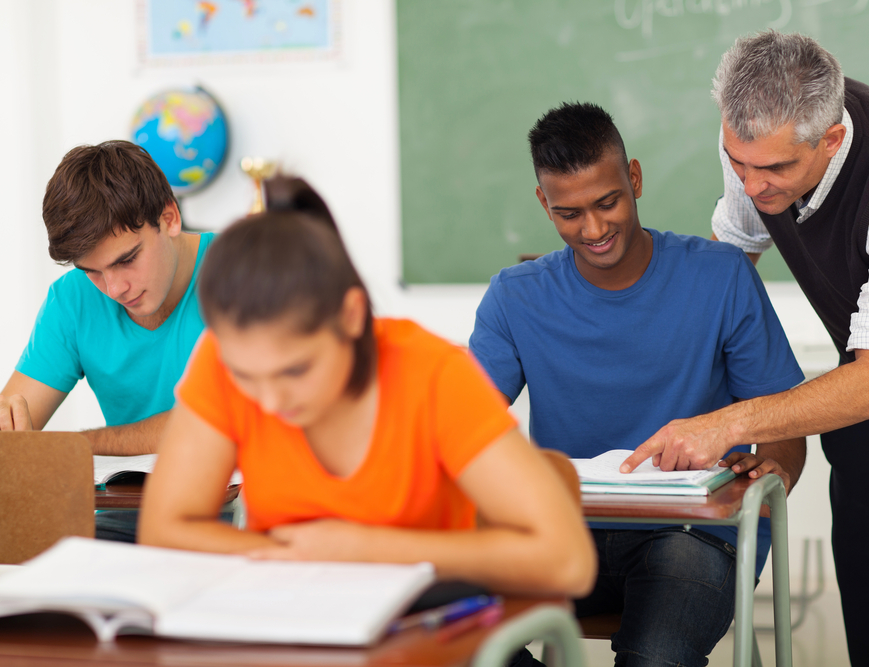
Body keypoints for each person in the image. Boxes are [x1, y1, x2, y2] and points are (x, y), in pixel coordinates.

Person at [621, 30, 869, 666]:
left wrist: (732, 421)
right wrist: (683, 399)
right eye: (738, 163)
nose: (754, 184)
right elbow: (729, 268)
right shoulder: (755, 143)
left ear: (830, 138)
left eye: (774, 170)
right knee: (868, 549)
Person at [138, 176, 596, 599]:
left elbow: (568, 560)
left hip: (426, 628)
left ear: (352, 315)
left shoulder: (433, 373)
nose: (270, 402)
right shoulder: (221, 360)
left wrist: (367, 548)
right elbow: (164, 529)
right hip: (297, 619)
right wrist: (294, 556)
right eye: (244, 376)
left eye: (295, 371)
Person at [469, 102, 806, 667]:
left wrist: (775, 466)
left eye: (608, 203)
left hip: (692, 537)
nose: (594, 229)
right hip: (563, 535)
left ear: (635, 178)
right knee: (442, 628)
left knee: (658, 655)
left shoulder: (721, 275)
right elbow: (458, 420)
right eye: (569, 213)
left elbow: (784, 421)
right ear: (543, 205)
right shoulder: (515, 296)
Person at [0, 140, 213, 543]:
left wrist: (76, 446)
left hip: (242, 512)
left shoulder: (243, 277)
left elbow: (207, 425)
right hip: (128, 520)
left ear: (169, 218)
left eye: (126, 259)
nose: (114, 288)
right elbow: (14, 424)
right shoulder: (72, 299)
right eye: (92, 271)